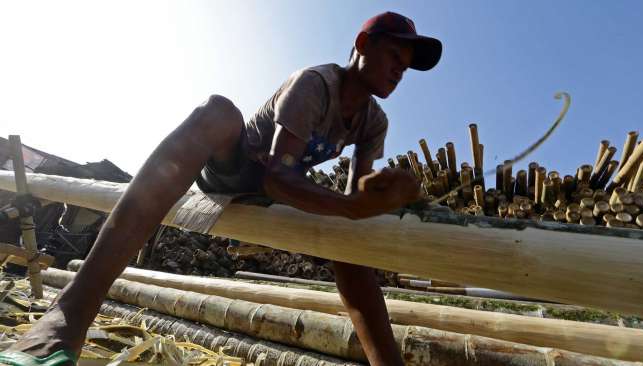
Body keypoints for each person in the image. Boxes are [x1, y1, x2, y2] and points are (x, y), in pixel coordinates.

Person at [0, 11, 442, 366]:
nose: (398, 72)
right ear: (362, 46)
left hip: (286, 184)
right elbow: (276, 175)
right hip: (240, 168)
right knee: (218, 111)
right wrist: (352, 206)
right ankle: (68, 314)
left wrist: (379, 195)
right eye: (392, 58)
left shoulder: (373, 121)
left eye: (405, 68)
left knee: (351, 249)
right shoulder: (316, 84)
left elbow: (354, 195)